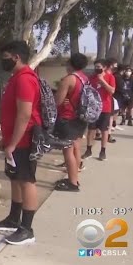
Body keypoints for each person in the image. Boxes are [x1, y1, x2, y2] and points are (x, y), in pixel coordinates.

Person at [0, 40, 43, 245]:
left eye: (5, 58)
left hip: (24, 140)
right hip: (14, 140)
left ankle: (27, 229)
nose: (2, 61)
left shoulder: (25, 80)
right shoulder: (16, 78)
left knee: (26, 181)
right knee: (15, 178)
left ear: (16, 57)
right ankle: (13, 219)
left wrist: (13, 143)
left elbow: (24, 114)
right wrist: (6, 140)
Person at [53, 53, 89, 192]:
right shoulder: (84, 78)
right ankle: (74, 178)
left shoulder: (68, 79)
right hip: (81, 118)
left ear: (70, 64)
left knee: (68, 152)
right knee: (75, 148)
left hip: (68, 118)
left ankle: (72, 183)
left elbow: (58, 101)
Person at [83, 59, 116, 161]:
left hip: (105, 107)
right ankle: (88, 150)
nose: (97, 69)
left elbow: (112, 91)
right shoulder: (91, 78)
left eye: (99, 67)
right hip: (93, 108)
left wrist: (102, 81)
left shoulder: (110, 77)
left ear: (104, 67)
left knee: (104, 130)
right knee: (91, 129)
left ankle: (103, 151)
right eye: (95, 67)